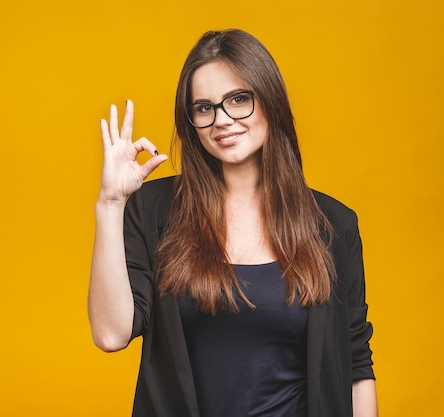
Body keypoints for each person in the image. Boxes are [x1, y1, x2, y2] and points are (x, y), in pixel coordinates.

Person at [88, 29, 377, 417]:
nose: (222, 120)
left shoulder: (332, 224)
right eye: (204, 107)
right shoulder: (154, 210)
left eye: (239, 99)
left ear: (270, 101)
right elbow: (110, 334)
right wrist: (110, 204)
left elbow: (356, 362)